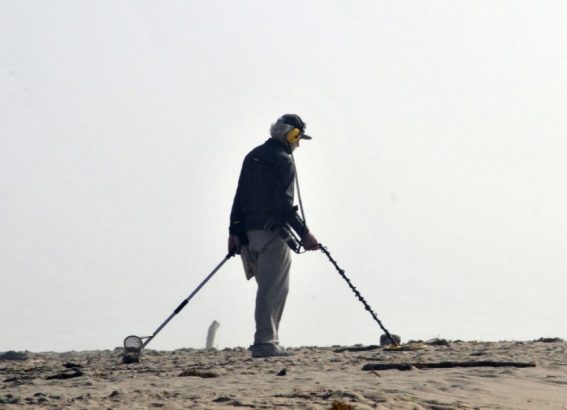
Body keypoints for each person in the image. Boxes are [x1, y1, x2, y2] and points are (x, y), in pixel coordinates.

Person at [228, 114, 319, 358]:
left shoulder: (252, 155)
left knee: (265, 290)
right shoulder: (284, 161)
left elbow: (239, 196)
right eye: (298, 138)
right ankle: (265, 343)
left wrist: (233, 232)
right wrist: (305, 234)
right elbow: (283, 206)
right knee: (273, 291)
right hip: (272, 236)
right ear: (292, 135)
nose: (298, 144)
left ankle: (267, 340)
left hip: (248, 236)